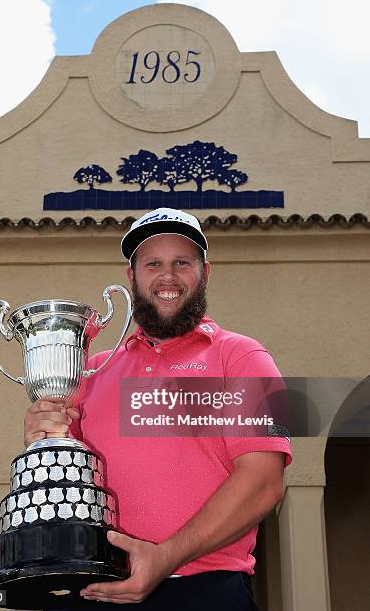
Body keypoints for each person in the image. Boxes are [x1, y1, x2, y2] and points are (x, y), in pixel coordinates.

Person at [24, 208, 292, 610]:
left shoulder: (243, 356)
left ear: (205, 272)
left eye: (182, 262)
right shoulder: (91, 370)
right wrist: (41, 441)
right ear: (132, 277)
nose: (168, 276)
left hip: (202, 590)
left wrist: (165, 556)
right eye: (153, 264)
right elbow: (67, 485)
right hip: (98, 588)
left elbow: (264, 481)